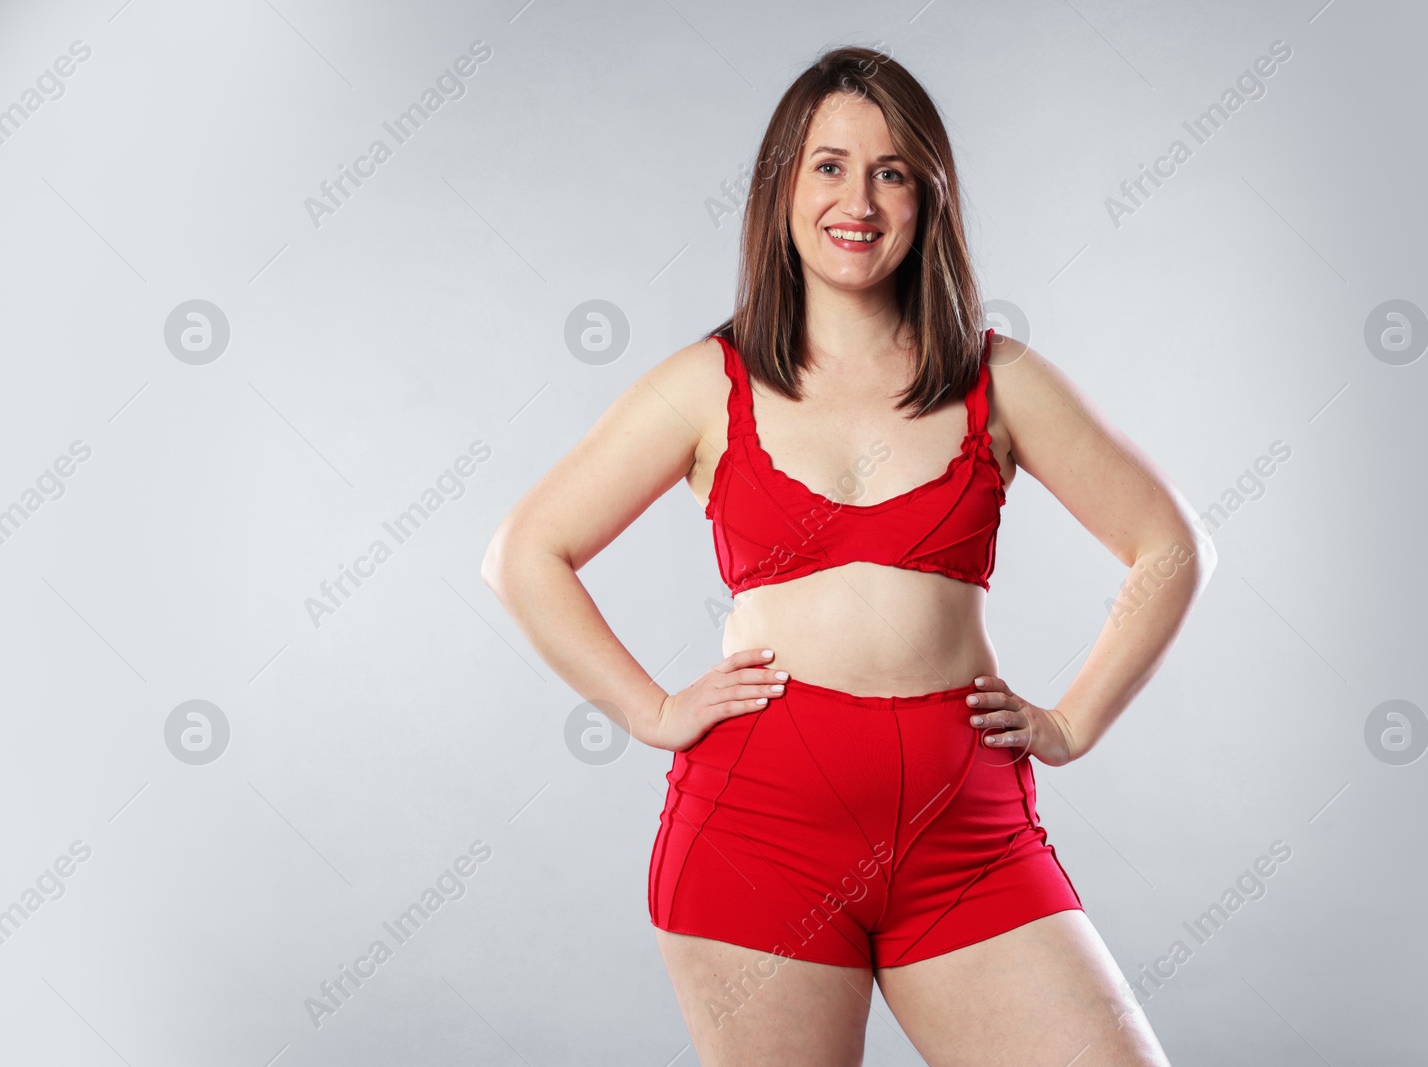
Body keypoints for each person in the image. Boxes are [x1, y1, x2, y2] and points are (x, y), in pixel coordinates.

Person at [482, 45, 1214, 1067]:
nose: (856, 198)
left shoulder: (998, 379)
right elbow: (526, 552)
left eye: (891, 170)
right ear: (781, 185)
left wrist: (1070, 721)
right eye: (827, 165)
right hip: (756, 830)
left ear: (928, 196)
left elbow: (1170, 546)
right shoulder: (707, 383)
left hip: (965, 835)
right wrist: (649, 710)